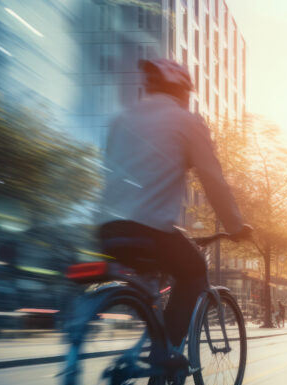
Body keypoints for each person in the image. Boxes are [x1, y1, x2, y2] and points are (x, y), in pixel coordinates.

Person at [96, 59, 251, 366]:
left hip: (107, 230)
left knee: (151, 279)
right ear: (183, 91)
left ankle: (153, 339)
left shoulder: (120, 119)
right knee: (194, 272)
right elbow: (213, 179)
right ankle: (165, 350)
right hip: (149, 229)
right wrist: (235, 225)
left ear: (149, 87)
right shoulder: (186, 121)